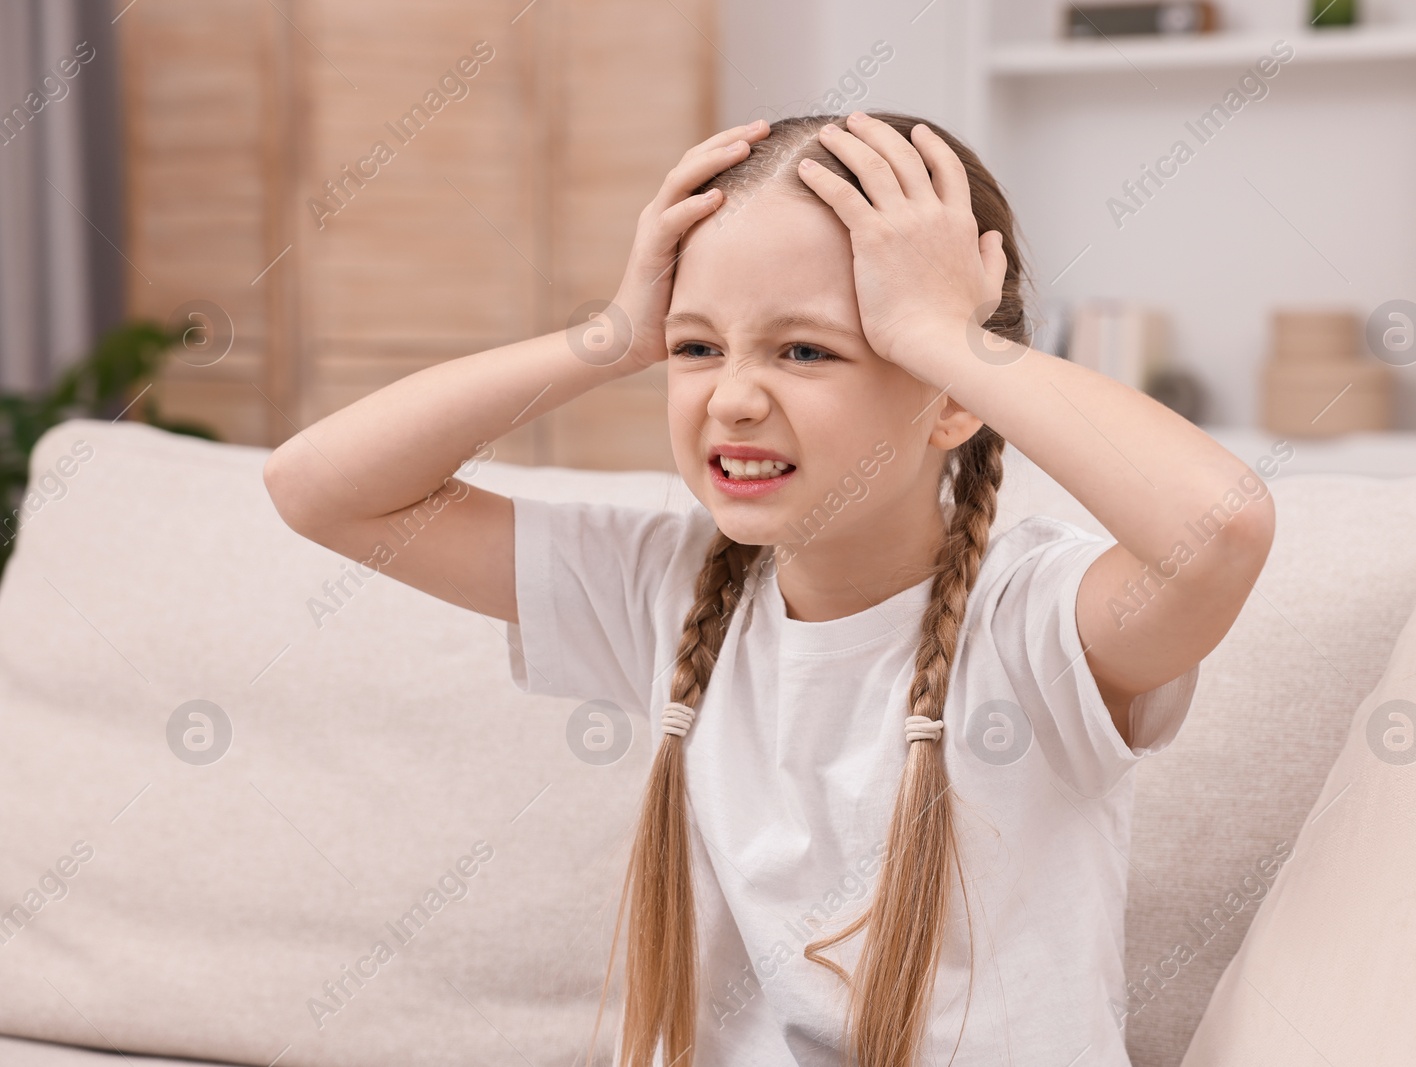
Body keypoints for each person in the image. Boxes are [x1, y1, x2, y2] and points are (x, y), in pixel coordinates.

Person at [263, 109, 1275, 1067]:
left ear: (953, 400)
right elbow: (316, 488)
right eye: (698, 346)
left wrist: (945, 338)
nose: (734, 397)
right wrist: (613, 335)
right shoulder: (666, 588)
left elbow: (1219, 527)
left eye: (805, 349)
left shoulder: (1036, 621)